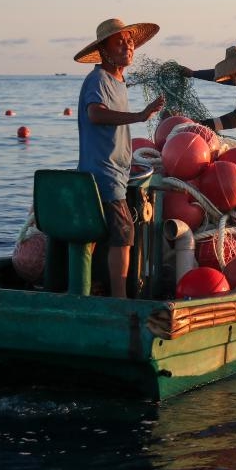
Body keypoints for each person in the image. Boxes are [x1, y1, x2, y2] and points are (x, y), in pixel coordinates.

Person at [75, 18, 165, 298]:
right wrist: (139, 116)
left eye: (129, 41)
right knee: (123, 235)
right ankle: (118, 299)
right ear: (103, 50)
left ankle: (89, 289)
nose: (127, 45)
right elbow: (95, 114)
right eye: (119, 41)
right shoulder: (98, 79)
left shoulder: (119, 81)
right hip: (104, 174)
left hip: (115, 172)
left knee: (97, 237)